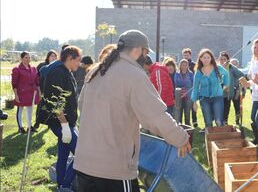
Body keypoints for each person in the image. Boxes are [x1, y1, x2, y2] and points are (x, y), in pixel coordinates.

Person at [74, 30, 191, 192]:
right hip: (113, 168)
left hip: (84, 163)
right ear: (138, 50)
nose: (145, 57)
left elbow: (82, 107)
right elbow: (155, 117)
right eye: (145, 52)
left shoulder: (95, 71)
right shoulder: (134, 74)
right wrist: (181, 138)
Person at [37, 45, 82, 190]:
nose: (79, 64)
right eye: (78, 60)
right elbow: (55, 102)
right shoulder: (58, 73)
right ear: (70, 58)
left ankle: (61, 185)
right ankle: (66, 185)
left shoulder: (67, 72)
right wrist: (64, 126)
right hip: (60, 123)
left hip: (68, 123)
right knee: (82, 155)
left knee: (63, 155)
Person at [191, 49, 229, 128]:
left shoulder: (217, 68)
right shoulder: (198, 72)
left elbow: (226, 74)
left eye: (208, 57)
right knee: (208, 122)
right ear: (200, 59)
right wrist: (194, 102)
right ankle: (209, 139)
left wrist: (226, 84)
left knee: (218, 121)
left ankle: (220, 138)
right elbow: (195, 88)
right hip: (204, 99)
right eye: (204, 57)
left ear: (211, 58)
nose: (206, 59)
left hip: (217, 97)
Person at [11, 52, 40, 133]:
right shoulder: (17, 69)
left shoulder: (34, 68)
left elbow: (37, 81)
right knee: (20, 110)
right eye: (26, 57)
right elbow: (14, 83)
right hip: (21, 93)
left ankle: (29, 127)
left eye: (29, 57)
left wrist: (39, 92)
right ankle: (20, 127)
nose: (28, 59)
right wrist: (16, 95)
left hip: (31, 93)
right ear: (22, 58)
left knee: (30, 110)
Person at [219, 51, 246, 125]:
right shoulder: (218, 68)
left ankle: (238, 122)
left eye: (224, 59)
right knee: (226, 108)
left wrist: (235, 83)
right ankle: (225, 122)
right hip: (224, 93)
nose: (222, 61)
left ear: (228, 60)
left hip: (234, 91)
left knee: (237, 107)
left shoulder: (231, 67)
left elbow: (241, 74)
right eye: (221, 59)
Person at [174, 59, 194, 125]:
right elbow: (175, 84)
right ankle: (179, 127)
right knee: (179, 112)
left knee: (187, 113)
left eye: (185, 65)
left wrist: (186, 91)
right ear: (180, 65)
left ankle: (188, 127)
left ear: (187, 66)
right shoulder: (176, 74)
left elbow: (193, 86)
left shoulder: (191, 74)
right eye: (182, 65)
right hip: (179, 96)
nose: (184, 66)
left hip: (188, 96)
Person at [182, 48, 198, 127]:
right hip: (185, 88)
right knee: (187, 106)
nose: (186, 56)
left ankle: (195, 121)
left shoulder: (193, 64)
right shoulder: (182, 64)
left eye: (187, 55)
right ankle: (187, 122)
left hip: (192, 86)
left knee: (193, 104)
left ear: (190, 55)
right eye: (184, 55)